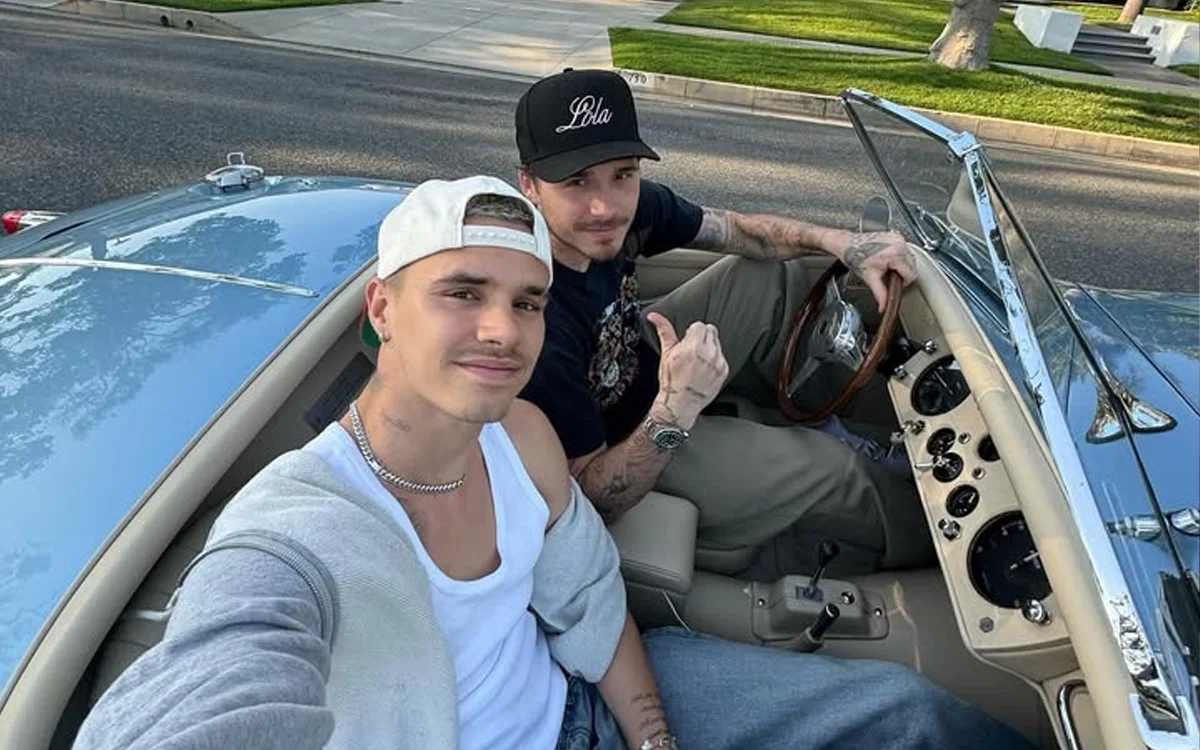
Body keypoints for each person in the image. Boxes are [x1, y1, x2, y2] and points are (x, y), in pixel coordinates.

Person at [72, 177, 1032, 750]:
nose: (503, 330)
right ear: (382, 310)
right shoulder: (292, 533)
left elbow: (592, 605)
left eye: (526, 302)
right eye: (462, 293)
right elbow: (213, 689)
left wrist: (652, 737)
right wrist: (673, 416)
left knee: (909, 717)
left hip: (591, 701)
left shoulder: (521, 437)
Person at [515, 69, 931, 577]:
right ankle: (943, 541)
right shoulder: (533, 319)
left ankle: (822, 417)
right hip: (635, 438)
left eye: (622, 173)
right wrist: (676, 408)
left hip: (640, 360)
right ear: (529, 185)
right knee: (836, 472)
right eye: (576, 182)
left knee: (765, 277)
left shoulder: (632, 209)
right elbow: (595, 497)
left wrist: (842, 243)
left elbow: (739, 232)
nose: (605, 207)